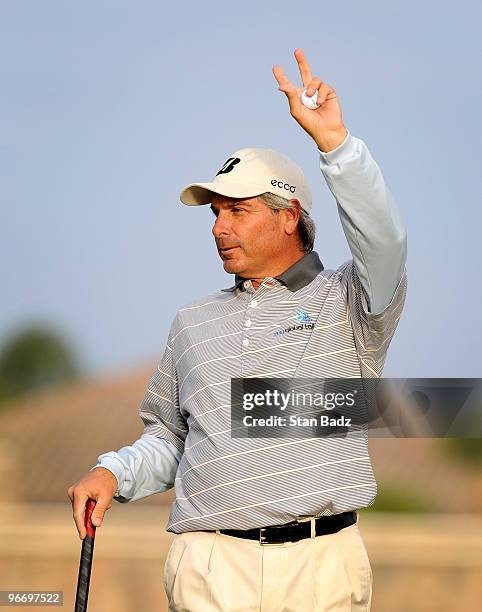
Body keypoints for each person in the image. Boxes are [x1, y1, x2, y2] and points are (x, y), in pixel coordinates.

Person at [68, 48, 407, 611]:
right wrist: (114, 472)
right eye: (215, 215)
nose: (219, 228)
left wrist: (337, 147)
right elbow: (171, 439)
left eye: (237, 211)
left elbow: (386, 242)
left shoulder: (353, 299)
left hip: (320, 566)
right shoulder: (192, 321)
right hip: (209, 565)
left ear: (288, 215)